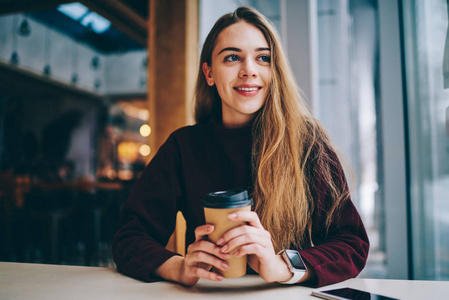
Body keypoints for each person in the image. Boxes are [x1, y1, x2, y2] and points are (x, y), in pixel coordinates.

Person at [112, 6, 369, 288]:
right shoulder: (183, 147)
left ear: (275, 72)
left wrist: (282, 265)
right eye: (232, 57)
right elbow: (129, 238)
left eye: (263, 58)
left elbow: (351, 244)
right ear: (209, 74)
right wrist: (179, 267)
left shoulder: (307, 143)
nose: (249, 70)